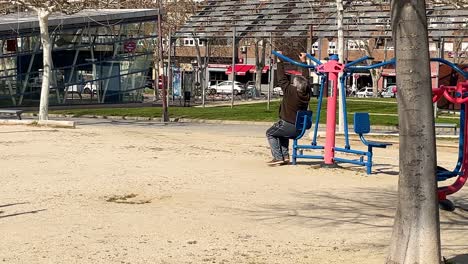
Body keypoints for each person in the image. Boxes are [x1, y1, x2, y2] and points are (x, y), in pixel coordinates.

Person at [266, 52, 311, 166]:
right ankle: (285, 157)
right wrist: (304, 62)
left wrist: (280, 61)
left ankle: (278, 157)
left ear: (295, 86)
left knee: (270, 133)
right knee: (281, 134)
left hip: (287, 124)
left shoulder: (290, 91)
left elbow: (281, 78)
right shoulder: (306, 93)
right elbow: (306, 79)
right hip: (299, 128)